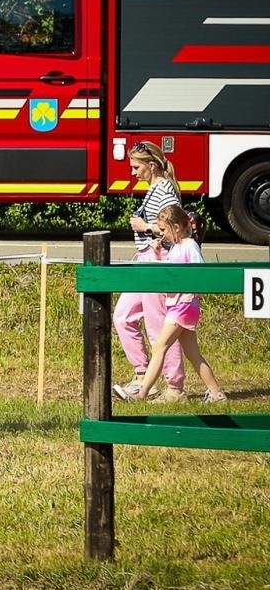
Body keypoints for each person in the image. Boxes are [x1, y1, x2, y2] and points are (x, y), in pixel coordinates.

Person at [119, 204, 227, 404]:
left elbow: (199, 273)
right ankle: (216, 393)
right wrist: (159, 254)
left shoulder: (190, 246)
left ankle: (141, 394)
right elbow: (171, 272)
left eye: (164, 230)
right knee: (193, 354)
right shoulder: (177, 247)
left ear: (176, 227)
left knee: (159, 346)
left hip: (183, 306)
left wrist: (192, 293)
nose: (162, 234)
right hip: (177, 305)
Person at [113, 140, 184, 401]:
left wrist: (146, 228)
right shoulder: (153, 189)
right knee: (123, 317)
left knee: (159, 326)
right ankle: (142, 374)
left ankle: (174, 386)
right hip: (145, 260)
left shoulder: (165, 192)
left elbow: (176, 230)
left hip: (159, 261)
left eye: (136, 167)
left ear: (151, 165)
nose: (132, 173)